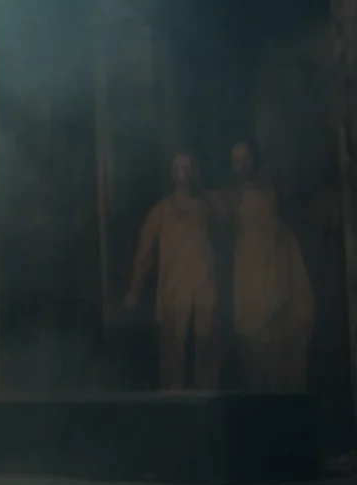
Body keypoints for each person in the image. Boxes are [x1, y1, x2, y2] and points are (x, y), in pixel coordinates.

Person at [209, 141, 313, 393]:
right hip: (250, 271)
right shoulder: (229, 196)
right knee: (256, 336)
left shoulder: (272, 188)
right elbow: (221, 232)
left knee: (292, 325)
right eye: (236, 160)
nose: (242, 164)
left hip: (280, 264)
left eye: (246, 158)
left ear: (254, 159)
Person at [126, 153, 220, 389]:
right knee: (171, 352)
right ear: (172, 172)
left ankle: (207, 402)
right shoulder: (162, 210)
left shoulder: (209, 208)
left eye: (189, 167)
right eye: (179, 167)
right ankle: (173, 402)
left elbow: (226, 241)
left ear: (195, 171)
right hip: (173, 289)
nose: (184, 172)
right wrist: (135, 290)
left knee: (207, 346)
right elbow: (145, 252)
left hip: (204, 286)